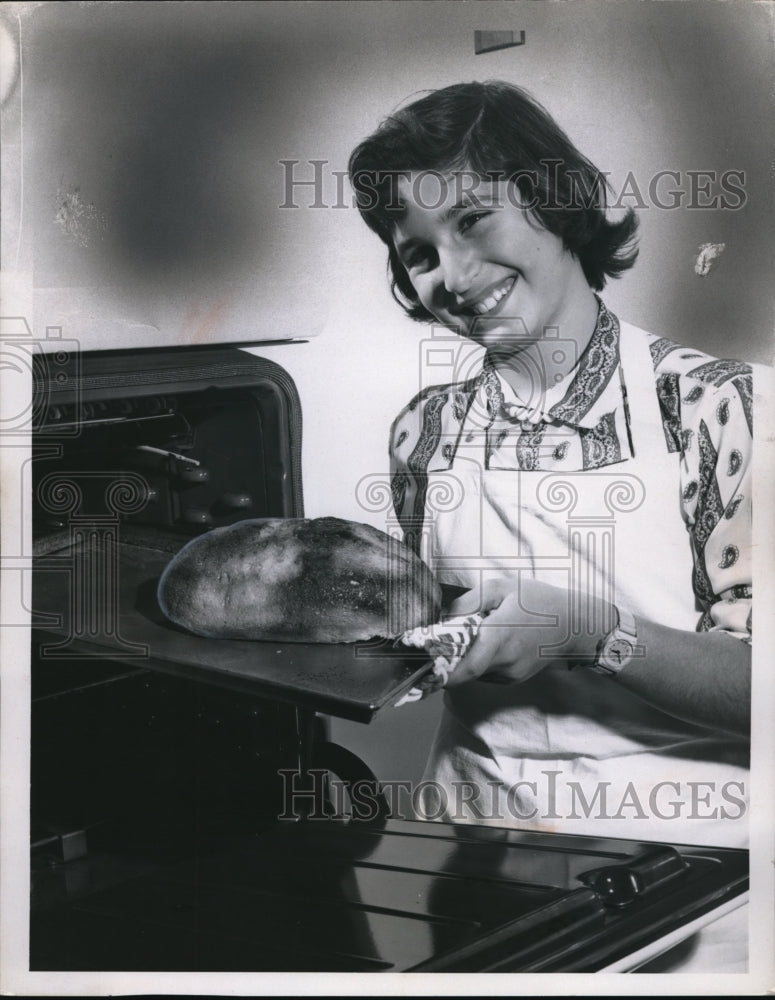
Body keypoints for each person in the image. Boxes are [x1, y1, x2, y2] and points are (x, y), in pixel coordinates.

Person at [349, 80, 759, 972]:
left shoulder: (715, 409)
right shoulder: (425, 430)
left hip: (691, 890)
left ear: (555, 201)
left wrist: (592, 632)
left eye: (472, 220)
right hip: (481, 872)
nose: (451, 277)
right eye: (416, 252)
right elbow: (441, 636)